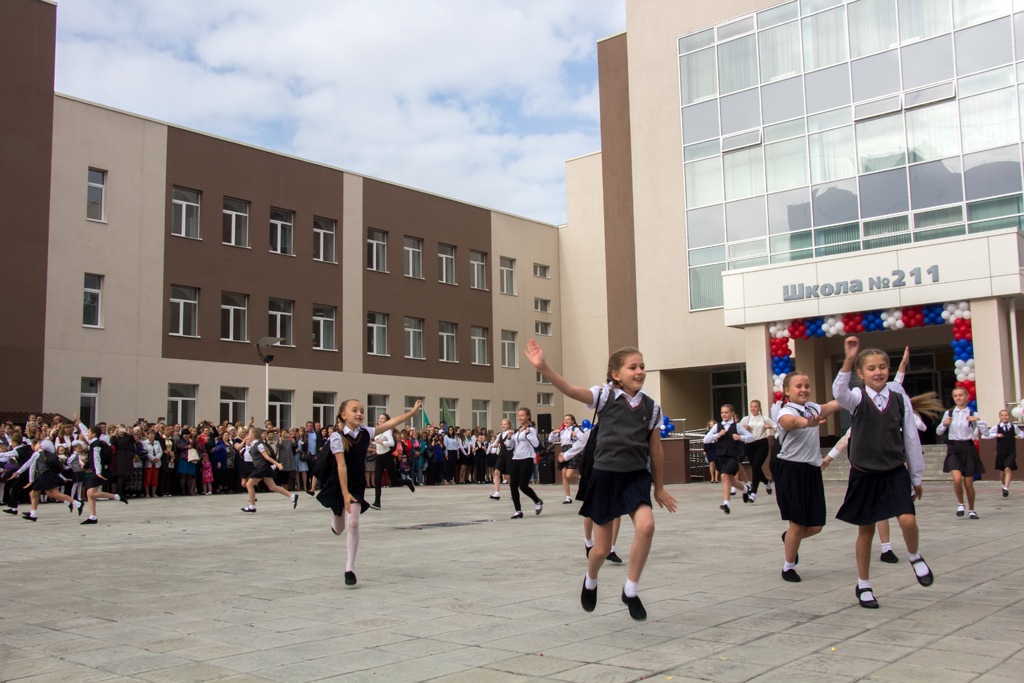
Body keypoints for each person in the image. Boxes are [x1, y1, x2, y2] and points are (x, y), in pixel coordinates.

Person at [526, 339, 677, 620]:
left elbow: (655, 448)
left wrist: (660, 487)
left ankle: (630, 590)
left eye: (642, 366)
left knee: (646, 526)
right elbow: (571, 390)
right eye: (633, 367)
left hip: (635, 476)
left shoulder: (652, 408)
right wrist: (544, 367)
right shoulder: (605, 396)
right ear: (616, 374)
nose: (640, 371)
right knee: (601, 549)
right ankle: (590, 579)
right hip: (605, 476)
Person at [833, 337, 934, 609]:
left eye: (882, 367)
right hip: (865, 474)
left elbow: (911, 439)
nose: (878, 372)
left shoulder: (899, 399)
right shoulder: (856, 399)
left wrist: (916, 477)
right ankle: (863, 585)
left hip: (894, 472)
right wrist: (849, 358)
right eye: (871, 368)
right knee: (866, 532)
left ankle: (914, 555)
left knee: (908, 520)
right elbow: (839, 391)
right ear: (861, 374)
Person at [317, 399, 422, 586]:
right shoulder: (336, 438)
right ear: (343, 415)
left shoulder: (366, 432)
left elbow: (390, 423)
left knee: (354, 523)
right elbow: (341, 466)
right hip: (338, 485)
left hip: (357, 485)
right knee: (340, 527)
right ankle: (335, 521)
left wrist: (411, 414)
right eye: (354, 410)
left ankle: (350, 567)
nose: (359, 413)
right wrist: (344, 494)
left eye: (362, 411)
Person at [773, 371, 841, 583]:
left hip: (812, 469)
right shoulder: (785, 410)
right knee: (798, 522)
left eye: (807, 386)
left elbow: (835, 404)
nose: (804, 390)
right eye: (798, 386)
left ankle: (789, 539)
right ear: (787, 391)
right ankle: (788, 567)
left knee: (816, 525)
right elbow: (789, 423)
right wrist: (806, 423)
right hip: (791, 470)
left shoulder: (813, 408)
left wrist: (859, 392)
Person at [936, 386, 988, 519]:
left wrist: (978, 421)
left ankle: (972, 509)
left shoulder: (973, 413)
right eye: (955, 395)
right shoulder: (949, 413)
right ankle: (960, 503)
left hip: (968, 447)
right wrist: (944, 425)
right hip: (954, 447)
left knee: (969, 482)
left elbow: (986, 433)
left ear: (966, 397)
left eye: (961, 395)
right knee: (957, 478)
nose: (958, 397)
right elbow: (939, 432)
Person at [3, 439, 82, 521]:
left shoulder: (37, 454)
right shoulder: (46, 454)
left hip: (45, 476)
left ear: (40, 445)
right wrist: (18, 472)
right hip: (47, 475)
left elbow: (31, 467)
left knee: (45, 493)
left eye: (36, 444)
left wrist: (31, 481)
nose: (34, 446)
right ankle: (33, 513)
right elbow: (28, 464)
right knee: (41, 493)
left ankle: (77, 503)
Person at [703, 404, 752, 514]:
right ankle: (745, 489)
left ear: (732, 413)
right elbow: (705, 439)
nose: (724, 414)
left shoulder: (737, 426)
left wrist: (741, 437)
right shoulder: (717, 426)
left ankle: (726, 504)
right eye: (722, 412)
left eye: (726, 412)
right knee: (730, 480)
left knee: (724, 476)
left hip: (732, 456)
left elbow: (751, 437)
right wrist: (717, 435)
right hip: (720, 457)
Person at [240, 427, 299, 513]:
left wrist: (277, 464)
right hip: (263, 468)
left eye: (249, 434)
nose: (248, 436)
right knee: (272, 487)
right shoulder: (255, 444)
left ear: (253, 435)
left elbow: (267, 457)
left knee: (249, 484)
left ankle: (252, 506)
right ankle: (292, 496)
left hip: (262, 468)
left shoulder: (259, 445)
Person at [82, 425, 129, 524]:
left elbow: (97, 458)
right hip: (97, 471)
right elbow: (85, 432)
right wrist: (79, 423)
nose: (87, 434)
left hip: (100, 471)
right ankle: (92, 516)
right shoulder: (94, 442)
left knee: (90, 493)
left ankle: (116, 497)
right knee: (90, 493)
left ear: (94, 434)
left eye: (89, 432)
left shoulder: (96, 445)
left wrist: (98, 472)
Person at [504, 408, 544, 520]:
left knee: (523, 486)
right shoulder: (517, 430)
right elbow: (509, 447)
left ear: (528, 416)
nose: (520, 418)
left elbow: (536, 444)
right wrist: (509, 437)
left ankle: (537, 501)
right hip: (516, 458)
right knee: (512, 485)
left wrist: (528, 435)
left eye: (522, 415)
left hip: (527, 458)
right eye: (518, 415)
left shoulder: (530, 429)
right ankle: (518, 510)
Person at [370, 413, 415, 510]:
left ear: (387, 420)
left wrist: (381, 442)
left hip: (387, 457)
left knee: (394, 480)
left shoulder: (387, 431)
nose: (380, 419)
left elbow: (391, 443)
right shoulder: (378, 430)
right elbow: (377, 442)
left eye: (382, 418)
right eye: (379, 418)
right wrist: (374, 444)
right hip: (379, 456)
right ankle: (377, 502)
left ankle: (408, 482)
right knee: (377, 480)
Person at [740, 400, 775, 502]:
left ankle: (753, 493)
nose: (753, 408)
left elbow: (777, 426)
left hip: (762, 444)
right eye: (751, 406)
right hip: (750, 445)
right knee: (755, 468)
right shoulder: (746, 419)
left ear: (759, 408)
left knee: (756, 466)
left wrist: (770, 427)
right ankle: (767, 482)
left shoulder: (764, 419)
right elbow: (738, 430)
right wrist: (744, 429)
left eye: (755, 407)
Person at [985, 409, 1021, 498]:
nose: (1004, 417)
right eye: (1002, 415)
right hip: (1001, 452)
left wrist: (1019, 436)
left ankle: (1006, 488)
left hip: (1011, 452)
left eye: (1006, 415)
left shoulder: (1013, 427)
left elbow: (1021, 433)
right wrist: (995, 435)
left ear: (1009, 416)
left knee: (1008, 469)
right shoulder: (997, 427)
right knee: (1002, 471)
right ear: (1000, 417)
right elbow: (985, 435)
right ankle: (1003, 484)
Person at [550, 414, 584, 504]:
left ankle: (579, 477)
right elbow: (551, 439)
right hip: (563, 450)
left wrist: (576, 435)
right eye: (565, 419)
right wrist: (554, 432)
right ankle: (567, 497)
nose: (566, 421)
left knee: (569, 474)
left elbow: (584, 438)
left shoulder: (575, 429)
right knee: (564, 475)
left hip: (572, 450)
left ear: (573, 421)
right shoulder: (562, 431)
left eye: (568, 419)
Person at [488, 419, 513, 500]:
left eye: (505, 424)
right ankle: (497, 493)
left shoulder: (511, 433)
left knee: (508, 476)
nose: (503, 425)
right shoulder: (500, 434)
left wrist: (508, 443)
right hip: (501, 455)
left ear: (509, 425)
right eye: (502, 424)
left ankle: (513, 492)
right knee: (496, 471)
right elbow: (495, 443)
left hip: (509, 455)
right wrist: (494, 445)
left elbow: (513, 444)